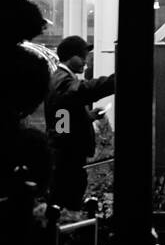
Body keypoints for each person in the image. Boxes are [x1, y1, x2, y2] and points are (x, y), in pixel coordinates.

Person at [45, 36, 115, 211]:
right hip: (68, 161)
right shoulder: (63, 81)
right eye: (82, 56)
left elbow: (63, 117)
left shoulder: (60, 79)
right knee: (67, 207)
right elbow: (82, 91)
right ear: (70, 56)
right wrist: (114, 82)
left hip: (64, 158)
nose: (85, 61)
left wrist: (89, 116)